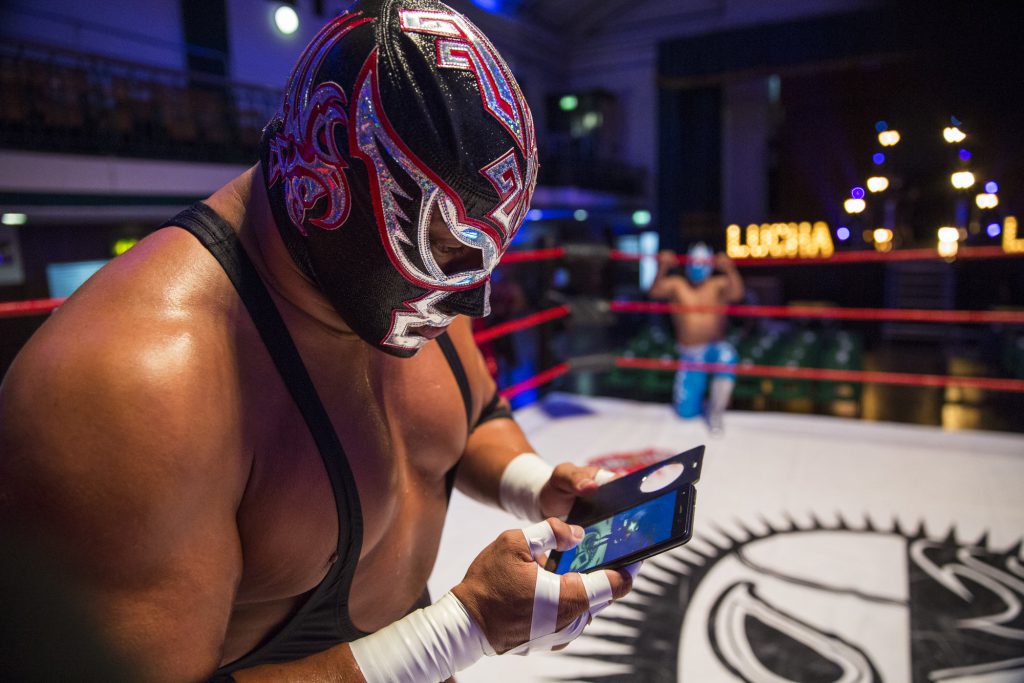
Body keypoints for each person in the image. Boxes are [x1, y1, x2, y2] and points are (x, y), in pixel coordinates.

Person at [0, 2, 635, 681]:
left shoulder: (408, 280)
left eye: (487, 256)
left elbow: (473, 414)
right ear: (327, 190)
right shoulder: (130, 386)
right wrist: (459, 631)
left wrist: (539, 485)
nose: (471, 297)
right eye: (450, 247)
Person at [648, 242, 744, 432]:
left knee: (727, 355)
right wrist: (663, 267)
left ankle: (716, 414)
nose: (698, 266)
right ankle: (700, 404)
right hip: (690, 353)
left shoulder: (718, 284)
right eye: (694, 262)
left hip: (714, 347)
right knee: (685, 412)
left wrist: (729, 269)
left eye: (702, 262)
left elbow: (737, 294)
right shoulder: (677, 284)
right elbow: (654, 292)